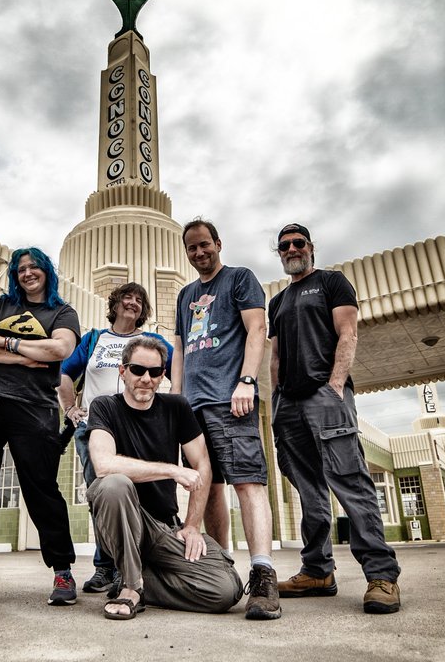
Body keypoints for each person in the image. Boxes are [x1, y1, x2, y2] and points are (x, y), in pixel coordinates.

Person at [267, 223, 401, 614]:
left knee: (350, 482)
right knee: (308, 489)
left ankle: (381, 575)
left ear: (311, 247)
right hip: (288, 404)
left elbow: (348, 334)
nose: (292, 249)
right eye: (285, 246)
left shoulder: (331, 283)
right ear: (279, 253)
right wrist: (276, 398)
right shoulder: (277, 302)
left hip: (325, 396)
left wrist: (336, 385)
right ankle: (317, 570)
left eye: (298, 243)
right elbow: (275, 356)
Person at [86, 336, 243, 619]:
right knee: (113, 484)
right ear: (123, 372)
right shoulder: (104, 407)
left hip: (164, 531)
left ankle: (141, 578)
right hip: (124, 522)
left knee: (226, 590)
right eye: (137, 370)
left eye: (155, 372)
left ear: (162, 376)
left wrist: (193, 525)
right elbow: (103, 465)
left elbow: (202, 464)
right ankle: (132, 588)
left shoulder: (176, 407)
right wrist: (171, 469)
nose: (146, 378)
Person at [170, 218, 280, 621]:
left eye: (205, 245)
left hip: (230, 399)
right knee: (207, 488)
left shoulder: (239, 279)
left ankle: (263, 573)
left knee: (247, 482)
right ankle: (222, 567)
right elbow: (179, 350)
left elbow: (257, 330)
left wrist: (247, 381)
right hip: (194, 406)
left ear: (218, 243)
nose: (200, 253)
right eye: (192, 248)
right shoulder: (185, 295)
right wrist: (177, 399)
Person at [0, 247, 81, 605]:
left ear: (46, 271)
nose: (27, 273)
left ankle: (62, 571)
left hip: (34, 406)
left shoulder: (62, 311)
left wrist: (7, 341)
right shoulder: (0, 305)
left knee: (41, 487)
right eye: (21, 269)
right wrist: (28, 354)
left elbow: (60, 349)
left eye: (34, 267)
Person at [59, 282, 174, 593]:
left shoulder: (151, 341)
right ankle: (104, 567)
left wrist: (172, 409)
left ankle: (140, 563)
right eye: (127, 297)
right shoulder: (95, 339)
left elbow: (178, 370)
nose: (132, 303)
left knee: (141, 494)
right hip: (95, 427)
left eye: (139, 300)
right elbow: (64, 372)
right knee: (101, 495)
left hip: (137, 425)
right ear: (115, 304)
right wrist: (70, 408)